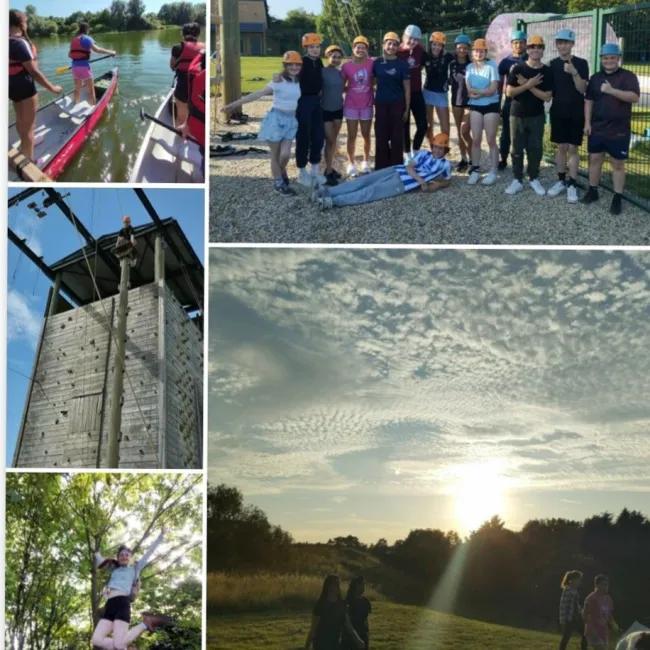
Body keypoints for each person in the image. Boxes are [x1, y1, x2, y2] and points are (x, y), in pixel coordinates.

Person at [221, 51, 302, 195]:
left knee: (285, 155)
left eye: (297, 64)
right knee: (275, 155)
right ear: (285, 65)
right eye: (290, 65)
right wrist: (233, 105)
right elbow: (258, 94)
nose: (294, 67)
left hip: (291, 121)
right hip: (275, 120)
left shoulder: (301, 81)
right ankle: (278, 183)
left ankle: (281, 171)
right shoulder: (277, 81)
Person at [314, 132, 452, 209]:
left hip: (403, 184)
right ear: (432, 146)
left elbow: (447, 180)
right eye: (436, 147)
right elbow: (409, 166)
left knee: (371, 192)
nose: (437, 150)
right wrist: (421, 181)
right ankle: (328, 192)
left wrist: (437, 185)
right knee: (364, 180)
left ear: (445, 151)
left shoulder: (445, 164)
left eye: (441, 148)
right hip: (397, 170)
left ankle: (333, 201)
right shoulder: (423, 153)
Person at [581, 43, 640, 215]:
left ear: (618, 58)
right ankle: (593, 191)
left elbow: (634, 97)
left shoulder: (628, 76)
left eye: (612, 57)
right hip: (597, 127)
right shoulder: (595, 78)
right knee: (595, 160)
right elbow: (589, 101)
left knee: (618, 164)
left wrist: (612, 90)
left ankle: (617, 197)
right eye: (605, 58)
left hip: (619, 129)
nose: (609, 61)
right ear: (601, 59)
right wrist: (587, 123)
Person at [91, 530, 173, 650]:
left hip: (122, 604)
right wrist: (96, 551)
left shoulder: (135, 569)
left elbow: (149, 553)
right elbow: (101, 561)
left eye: (126, 555)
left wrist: (161, 536)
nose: (124, 556)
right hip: (109, 605)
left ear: (130, 558)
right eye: (121, 555)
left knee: (119, 645)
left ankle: (145, 623)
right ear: (118, 558)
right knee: (97, 640)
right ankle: (123, 647)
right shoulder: (114, 570)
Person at [9, 9, 63, 161]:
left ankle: (22, 146)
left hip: (11, 88)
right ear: (21, 24)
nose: (26, 24)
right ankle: (29, 160)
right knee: (29, 128)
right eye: (26, 22)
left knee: (20, 120)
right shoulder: (19, 43)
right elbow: (34, 72)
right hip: (25, 88)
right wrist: (53, 88)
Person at [504, 34, 553, 196]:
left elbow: (547, 97)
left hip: (537, 116)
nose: (535, 50)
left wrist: (528, 84)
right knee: (516, 148)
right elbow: (509, 92)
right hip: (517, 114)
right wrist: (529, 85)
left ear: (543, 50)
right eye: (532, 47)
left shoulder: (547, 71)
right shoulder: (518, 68)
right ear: (528, 49)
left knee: (535, 148)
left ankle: (533, 178)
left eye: (539, 47)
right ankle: (517, 179)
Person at [547, 29, 589, 204]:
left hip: (576, 112)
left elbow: (582, 89)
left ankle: (572, 183)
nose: (563, 45)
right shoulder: (552, 64)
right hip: (558, 111)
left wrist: (574, 72)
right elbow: (549, 91)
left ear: (572, 44)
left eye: (566, 42)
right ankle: (561, 180)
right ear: (556, 45)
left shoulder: (581, 63)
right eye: (560, 42)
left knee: (573, 148)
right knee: (561, 147)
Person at [373, 32, 410, 169]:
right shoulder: (376, 63)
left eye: (395, 44)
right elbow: (371, 83)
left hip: (397, 104)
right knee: (381, 136)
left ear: (398, 47)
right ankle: (381, 167)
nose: (391, 46)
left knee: (396, 137)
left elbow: (407, 88)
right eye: (389, 43)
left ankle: (396, 167)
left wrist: (406, 108)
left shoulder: (402, 64)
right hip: (381, 104)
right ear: (384, 45)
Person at [465, 38, 500, 185]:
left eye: (481, 50)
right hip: (475, 106)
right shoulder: (469, 68)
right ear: (472, 52)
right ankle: (475, 169)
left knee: (491, 139)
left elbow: (493, 90)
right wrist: (481, 92)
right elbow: (468, 90)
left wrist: (478, 93)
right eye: (476, 50)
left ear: (485, 52)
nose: (478, 53)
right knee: (476, 139)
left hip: (491, 105)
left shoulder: (492, 66)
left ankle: (493, 171)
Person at [341, 35, 374, 177]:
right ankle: (351, 163)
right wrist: (350, 90)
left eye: (363, 47)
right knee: (351, 136)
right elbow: (341, 85)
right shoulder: (346, 66)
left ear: (366, 49)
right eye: (357, 47)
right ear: (353, 48)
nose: (360, 49)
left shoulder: (371, 64)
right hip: (351, 105)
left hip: (367, 104)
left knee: (366, 135)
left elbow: (376, 80)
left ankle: (366, 161)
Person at [296, 32, 326, 187]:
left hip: (316, 101)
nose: (315, 49)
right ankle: (301, 171)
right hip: (304, 101)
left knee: (318, 135)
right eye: (311, 47)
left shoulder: (319, 61)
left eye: (317, 46)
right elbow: (292, 77)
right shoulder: (302, 62)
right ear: (306, 48)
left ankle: (314, 169)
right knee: (303, 134)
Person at [304, 575, 365, 650]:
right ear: (326, 587)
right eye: (330, 585)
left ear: (338, 587)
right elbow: (313, 629)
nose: (332, 588)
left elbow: (349, 626)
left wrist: (358, 640)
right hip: (320, 644)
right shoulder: (320, 605)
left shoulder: (342, 605)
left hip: (335, 644)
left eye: (335, 585)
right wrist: (307, 645)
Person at [497, 30, 527, 170]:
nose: (518, 45)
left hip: (527, 102)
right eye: (515, 42)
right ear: (511, 44)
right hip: (510, 101)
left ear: (525, 44)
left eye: (521, 42)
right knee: (506, 133)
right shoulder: (505, 62)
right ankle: (503, 158)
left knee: (526, 132)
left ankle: (525, 162)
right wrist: (498, 104)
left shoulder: (530, 59)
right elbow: (499, 84)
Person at [397, 25, 427, 160]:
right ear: (404, 37)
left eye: (416, 39)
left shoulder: (420, 50)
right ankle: (407, 154)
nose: (413, 42)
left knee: (423, 125)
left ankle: (415, 150)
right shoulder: (397, 51)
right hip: (401, 95)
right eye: (410, 38)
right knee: (404, 125)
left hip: (416, 92)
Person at [69, 22, 115, 105]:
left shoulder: (74, 39)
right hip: (84, 67)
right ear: (87, 29)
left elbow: (70, 55)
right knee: (91, 90)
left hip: (74, 67)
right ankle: (93, 108)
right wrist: (111, 52)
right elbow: (97, 49)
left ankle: (75, 104)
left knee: (77, 88)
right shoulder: (86, 38)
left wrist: (81, 56)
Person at [170, 22, 204, 126]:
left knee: (181, 119)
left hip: (183, 88)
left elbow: (172, 66)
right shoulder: (204, 48)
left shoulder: (177, 48)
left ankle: (180, 137)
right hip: (200, 90)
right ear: (198, 34)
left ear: (183, 34)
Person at [422, 31, 454, 144]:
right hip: (427, 92)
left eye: (439, 45)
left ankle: (443, 148)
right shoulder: (425, 55)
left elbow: (463, 62)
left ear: (443, 46)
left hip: (441, 93)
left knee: (445, 126)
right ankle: (431, 146)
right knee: (428, 124)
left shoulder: (448, 57)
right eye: (434, 44)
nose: (436, 47)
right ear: (430, 44)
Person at [449, 34, 473, 173]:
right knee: (459, 132)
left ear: (468, 49)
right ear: (456, 48)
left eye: (465, 48)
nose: (462, 50)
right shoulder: (451, 64)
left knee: (465, 131)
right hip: (456, 101)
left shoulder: (473, 64)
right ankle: (463, 159)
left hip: (469, 102)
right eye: (459, 48)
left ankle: (472, 159)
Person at [321, 45, 345, 185]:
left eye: (338, 57)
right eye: (333, 56)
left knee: (333, 140)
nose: (336, 59)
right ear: (327, 57)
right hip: (325, 110)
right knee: (329, 140)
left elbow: (344, 87)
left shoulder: (341, 73)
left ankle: (329, 168)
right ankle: (328, 170)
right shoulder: (322, 72)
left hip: (338, 109)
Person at [583, 574, 618, 650]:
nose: (606, 587)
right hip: (593, 631)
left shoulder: (608, 599)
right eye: (603, 584)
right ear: (597, 585)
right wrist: (591, 629)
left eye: (607, 585)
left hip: (604, 632)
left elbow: (609, 614)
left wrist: (613, 623)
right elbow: (585, 615)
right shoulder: (591, 598)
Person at [558, 570, 588, 650]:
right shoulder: (568, 590)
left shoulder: (575, 591)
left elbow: (575, 605)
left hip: (576, 617)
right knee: (566, 637)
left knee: (585, 634)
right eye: (578, 579)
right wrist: (565, 620)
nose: (579, 582)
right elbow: (564, 606)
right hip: (569, 619)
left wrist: (581, 612)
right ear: (572, 580)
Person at [341, 576, 371, 650]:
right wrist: (357, 639)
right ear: (356, 585)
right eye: (361, 584)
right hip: (349, 639)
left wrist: (367, 637)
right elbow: (347, 623)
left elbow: (365, 620)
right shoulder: (348, 601)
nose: (363, 586)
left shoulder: (365, 601)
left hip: (363, 636)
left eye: (364, 584)